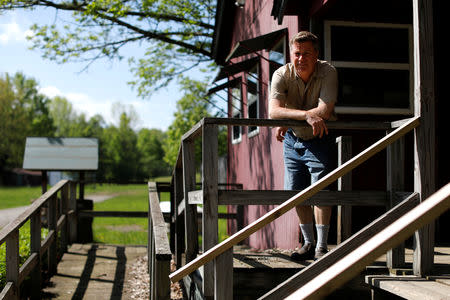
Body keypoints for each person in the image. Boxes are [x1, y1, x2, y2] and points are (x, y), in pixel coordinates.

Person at [269, 31, 338, 260]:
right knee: (296, 192)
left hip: (320, 137)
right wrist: (303, 117)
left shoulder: (328, 71)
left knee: (320, 191)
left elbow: (325, 110)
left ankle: (321, 247)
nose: (301, 59)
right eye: (297, 53)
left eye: (306, 53)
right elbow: (273, 111)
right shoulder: (281, 73)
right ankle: (308, 243)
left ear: (316, 54)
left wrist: (292, 119)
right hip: (293, 139)